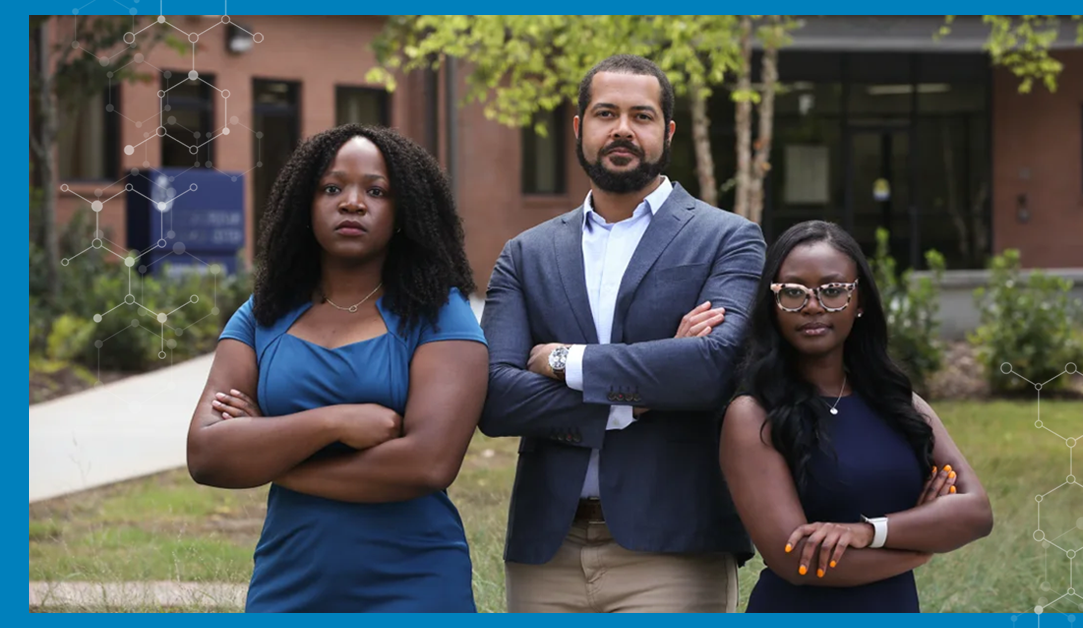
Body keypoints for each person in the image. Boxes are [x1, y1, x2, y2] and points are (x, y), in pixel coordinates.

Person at [478, 54, 766, 612]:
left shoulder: (728, 239)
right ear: (580, 127)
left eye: (642, 116)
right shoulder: (526, 254)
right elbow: (494, 397)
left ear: (668, 131)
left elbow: (713, 370)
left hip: (673, 547)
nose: (623, 130)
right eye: (606, 113)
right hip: (547, 550)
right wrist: (638, 397)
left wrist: (565, 362)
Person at [185, 124, 488, 612]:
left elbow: (427, 463)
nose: (352, 202)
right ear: (304, 205)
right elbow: (206, 455)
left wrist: (271, 456)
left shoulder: (438, 313)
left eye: (376, 190)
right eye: (332, 188)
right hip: (288, 584)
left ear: (404, 210)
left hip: (415, 584)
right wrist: (337, 421)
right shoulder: (264, 314)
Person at [720, 220, 994, 613]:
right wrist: (921, 545)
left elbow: (976, 511)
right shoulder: (752, 415)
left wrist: (869, 532)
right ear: (773, 305)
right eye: (793, 292)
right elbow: (796, 560)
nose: (813, 306)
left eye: (833, 291)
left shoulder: (901, 405)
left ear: (859, 301)